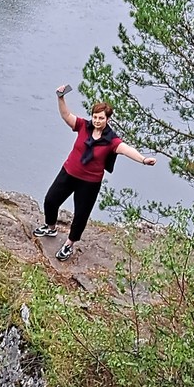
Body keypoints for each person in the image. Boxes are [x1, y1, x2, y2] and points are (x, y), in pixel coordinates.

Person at [34, 85, 157, 261]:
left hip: (89, 183)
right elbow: (66, 116)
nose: (97, 120)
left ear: (107, 119)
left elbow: (126, 149)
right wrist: (60, 97)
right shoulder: (84, 126)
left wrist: (143, 160)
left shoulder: (111, 140)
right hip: (68, 172)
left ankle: (69, 244)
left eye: (101, 118)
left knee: (81, 214)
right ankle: (51, 227)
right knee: (51, 200)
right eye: (95, 117)